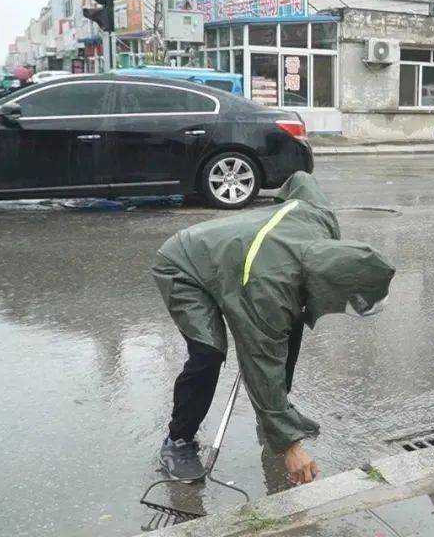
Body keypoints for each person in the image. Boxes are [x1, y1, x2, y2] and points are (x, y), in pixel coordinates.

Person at [151, 172, 395, 485]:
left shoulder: (321, 221)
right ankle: (178, 442)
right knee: (208, 352)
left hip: (233, 260)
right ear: (334, 286)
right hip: (184, 265)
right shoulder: (270, 290)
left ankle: (274, 419)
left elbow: (301, 179)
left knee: (290, 322)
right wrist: (290, 445)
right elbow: (261, 360)